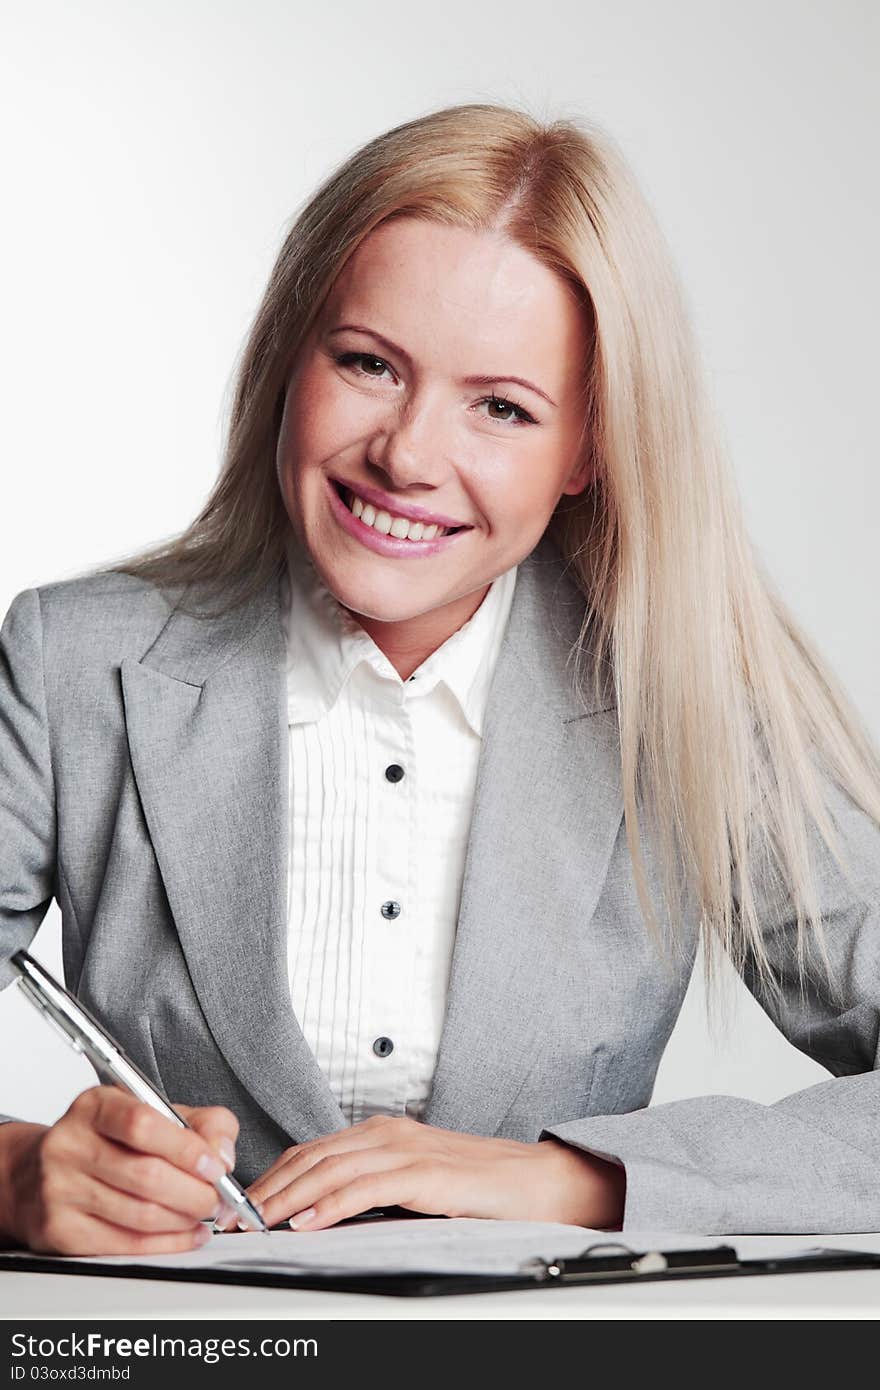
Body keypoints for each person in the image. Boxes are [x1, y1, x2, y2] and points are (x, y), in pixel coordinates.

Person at [1, 102, 879, 1257]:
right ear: (288, 360)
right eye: (368, 363)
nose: (408, 455)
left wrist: (575, 1180)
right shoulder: (78, 661)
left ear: (587, 449)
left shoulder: (686, 694)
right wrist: (17, 1173)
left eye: (501, 407)